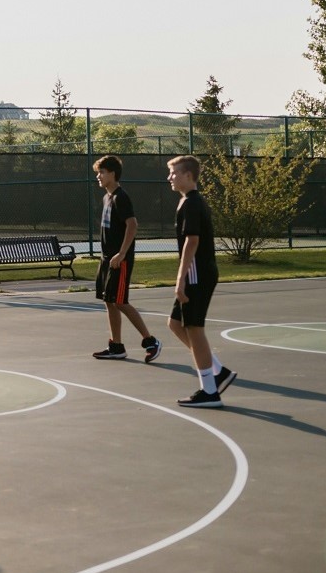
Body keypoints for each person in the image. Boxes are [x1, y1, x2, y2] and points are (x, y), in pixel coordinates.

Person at [167, 155, 235, 409]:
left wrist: (180, 278)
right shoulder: (187, 202)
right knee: (175, 324)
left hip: (197, 274)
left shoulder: (192, 204)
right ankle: (217, 371)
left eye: (173, 173)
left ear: (187, 175)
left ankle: (210, 390)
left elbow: (192, 242)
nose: (169, 178)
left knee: (194, 328)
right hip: (197, 273)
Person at [90, 155, 161, 362]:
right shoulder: (106, 197)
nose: (98, 176)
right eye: (98, 172)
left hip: (120, 259)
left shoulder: (121, 197)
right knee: (109, 301)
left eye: (102, 172)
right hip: (106, 260)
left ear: (112, 173)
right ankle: (117, 346)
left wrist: (121, 254)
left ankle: (151, 341)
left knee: (120, 302)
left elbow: (133, 225)